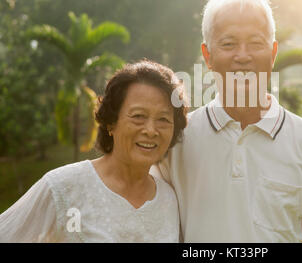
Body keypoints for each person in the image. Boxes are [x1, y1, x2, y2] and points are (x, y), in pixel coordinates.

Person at [154, 0, 302, 242]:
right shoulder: (175, 141)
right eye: (229, 44)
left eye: (255, 43)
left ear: (273, 53)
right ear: (208, 56)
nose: (243, 56)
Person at [0, 59, 188, 242]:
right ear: (111, 123)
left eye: (163, 119)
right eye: (138, 116)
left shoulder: (168, 199)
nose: (150, 130)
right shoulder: (62, 188)